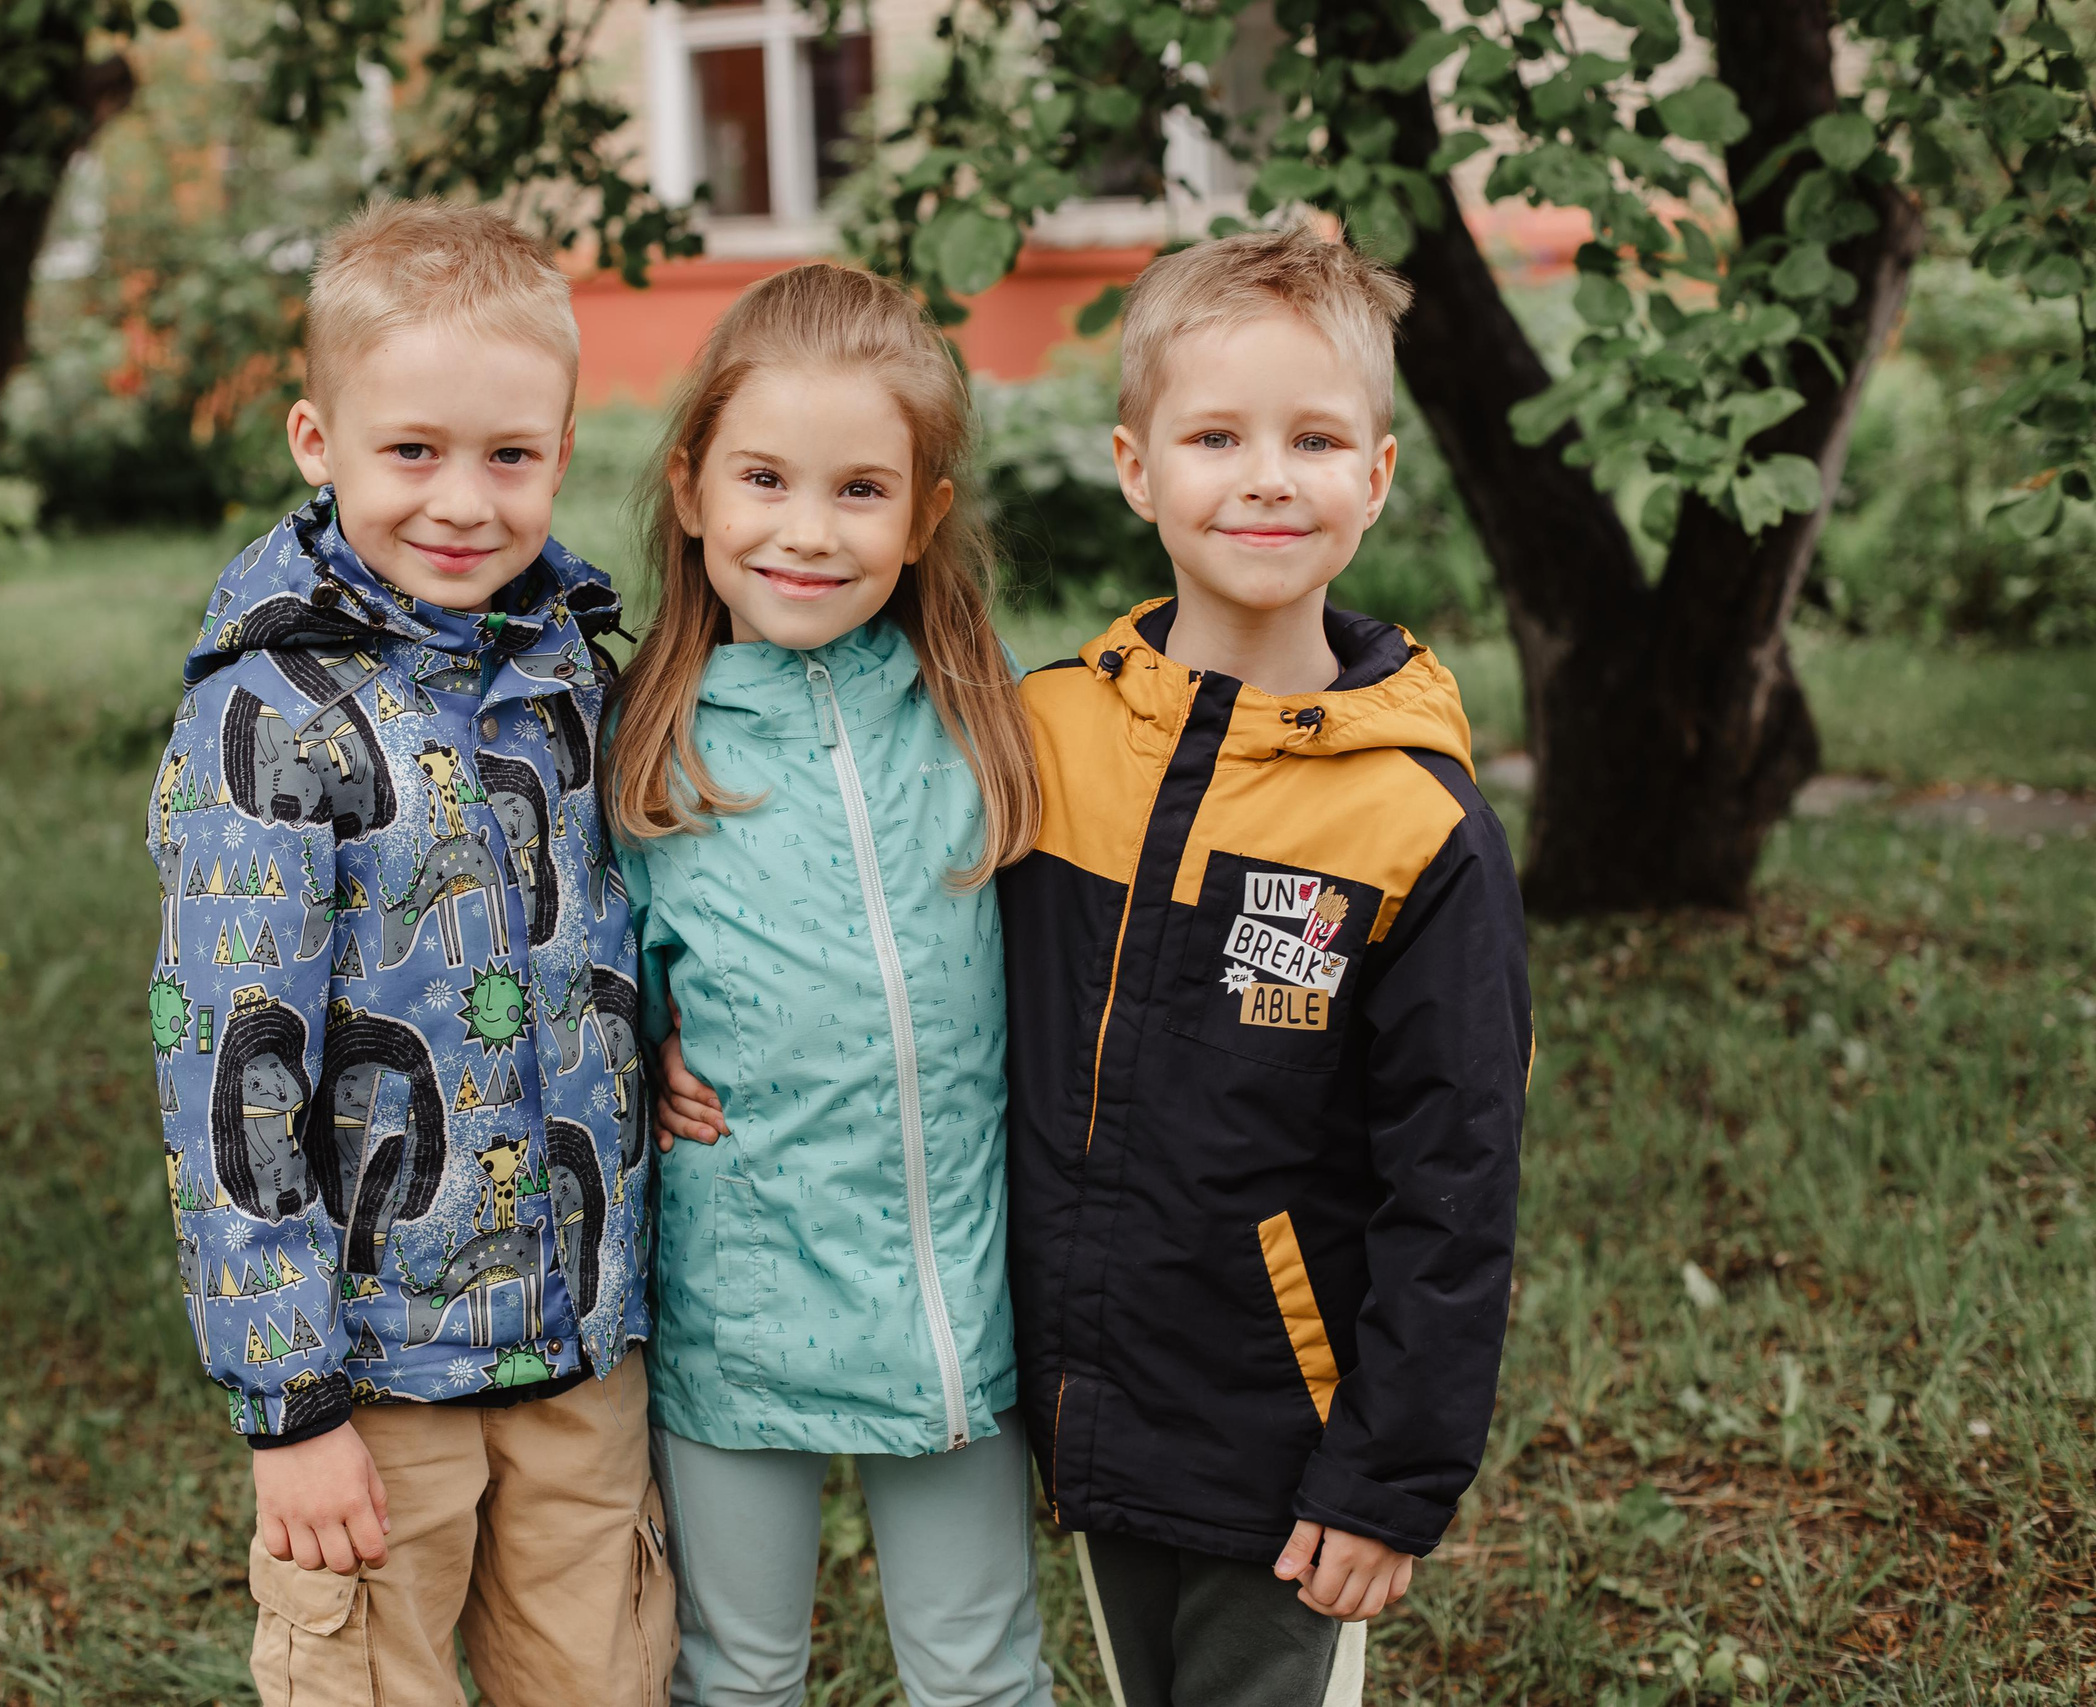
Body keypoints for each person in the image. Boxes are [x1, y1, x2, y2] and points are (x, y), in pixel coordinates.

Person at [144, 198, 674, 1707]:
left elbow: (628, 923)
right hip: (375, 1378)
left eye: (509, 456)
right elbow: (228, 1067)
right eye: (411, 452)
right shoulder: (269, 720)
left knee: (603, 1676)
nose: (463, 501)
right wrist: (289, 1402)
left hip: (582, 1345)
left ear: (563, 453)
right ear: (319, 442)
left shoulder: (576, 667)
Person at [1005, 226, 1531, 1704]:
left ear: (1375, 475)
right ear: (1134, 464)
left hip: (1286, 1446)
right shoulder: (1044, 737)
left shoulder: (1417, 828)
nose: (1265, 475)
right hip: (1090, 1405)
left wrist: (1388, 1478)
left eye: (1313, 437)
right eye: (1216, 434)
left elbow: (1457, 1182)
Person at [604, 261, 1053, 1707]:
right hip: (741, 1309)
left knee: (980, 1672)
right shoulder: (632, 756)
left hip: (952, 1304)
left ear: (925, 515)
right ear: (691, 489)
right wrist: (640, 1065)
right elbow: (569, 990)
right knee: (738, 1676)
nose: (807, 531)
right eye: (765, 480)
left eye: (861, 490)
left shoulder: (991, 725)